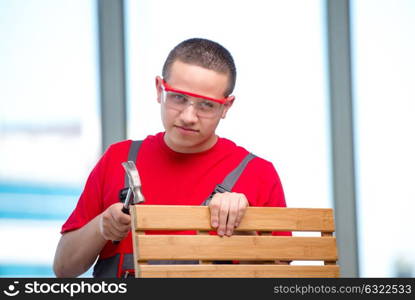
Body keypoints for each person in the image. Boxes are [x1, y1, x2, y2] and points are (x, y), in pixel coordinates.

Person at [53, 38, 289, 278]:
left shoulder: (258, 174)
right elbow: (64, 269)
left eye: (206, 105)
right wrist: (101, 226)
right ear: (159, 89)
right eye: (178, 98)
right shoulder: (118, 158)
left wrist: (244, 229)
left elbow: (281, 281)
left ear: (226, 107)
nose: (188, 117)